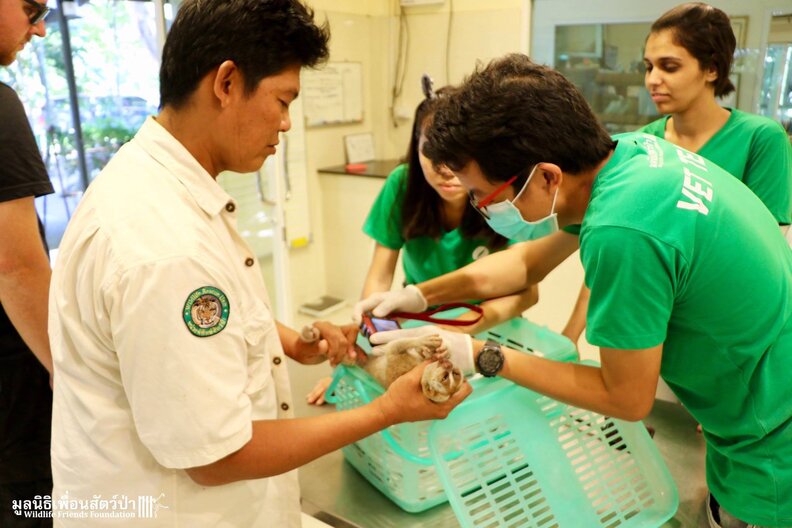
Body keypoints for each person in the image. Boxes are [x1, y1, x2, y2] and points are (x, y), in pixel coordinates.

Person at [48, 1, 470, 526]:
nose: (288, 123)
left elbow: (206, 315)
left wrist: (291, 343)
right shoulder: (166, 246)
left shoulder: (156, 188)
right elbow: (217, 456)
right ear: (226, 83)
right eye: (282, 100)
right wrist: (387, 411)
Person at [357, 53, 792, 528]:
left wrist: (482, 355)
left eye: (485, 197)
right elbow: (526, 263)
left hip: (771, 446)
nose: (483, 210)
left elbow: (625, 398)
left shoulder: (623, 231)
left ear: (545, 176)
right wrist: (421, 295)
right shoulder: (632, 155)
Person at [561, 2, 792, 347]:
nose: (653, 80)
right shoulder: (643, 144)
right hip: (659, 329)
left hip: (735, 337)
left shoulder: (760, 138)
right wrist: (570, 335)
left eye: (669, 67)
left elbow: (768, 252)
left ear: (711, 68)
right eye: (649, 66)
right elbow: (614, 248)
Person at [306, 83, 538, 405]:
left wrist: (459, 332)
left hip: (491, 323)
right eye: (433, 152)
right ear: (417, 148)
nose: (446, 168)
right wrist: (357, 359)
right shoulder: (402, 185)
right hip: (420, 323)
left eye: (459, 153)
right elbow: (379, 278)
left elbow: (527, 289)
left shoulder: (501, 193)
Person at [0, 1, 55, 526]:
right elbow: (15, 267)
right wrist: (69, 369)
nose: (39, 29)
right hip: (14, 415)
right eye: (31, 8)